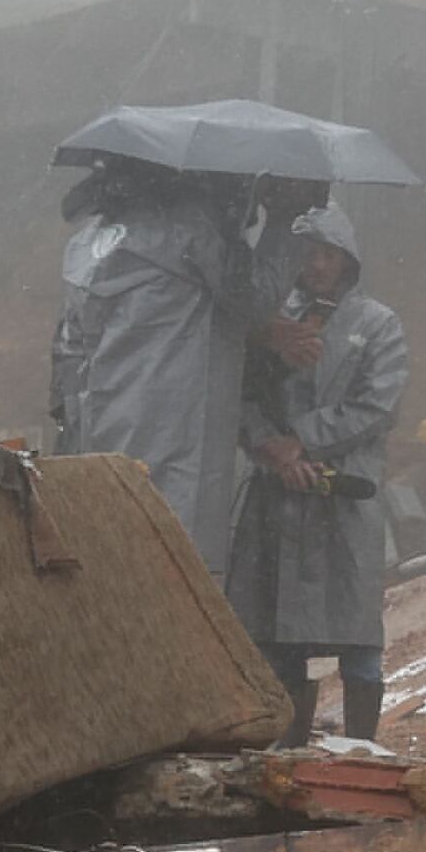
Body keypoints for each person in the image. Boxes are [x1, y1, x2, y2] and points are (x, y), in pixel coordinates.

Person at [233, 204, 407, 742]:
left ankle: (362, 745)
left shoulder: (377, 324)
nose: (317, 265)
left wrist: (303, 439)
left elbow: (377, 406)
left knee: (357, 635)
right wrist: (271, 448)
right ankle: (287, 744)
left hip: (343, 497)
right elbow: (243, 393)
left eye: (328, 254)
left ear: (348, 260)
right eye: (307, 253)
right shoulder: (269, 327)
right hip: (278, 494)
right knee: (278, 630)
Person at [50, 156, 265, 574]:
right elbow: (251, 299)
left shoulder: (84, 245)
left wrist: (73, 420)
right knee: (179, 562)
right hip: (178, 423)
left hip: (100, 423)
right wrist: (284, 225)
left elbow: (69, 346)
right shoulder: (192, 231)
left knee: (114, 551)